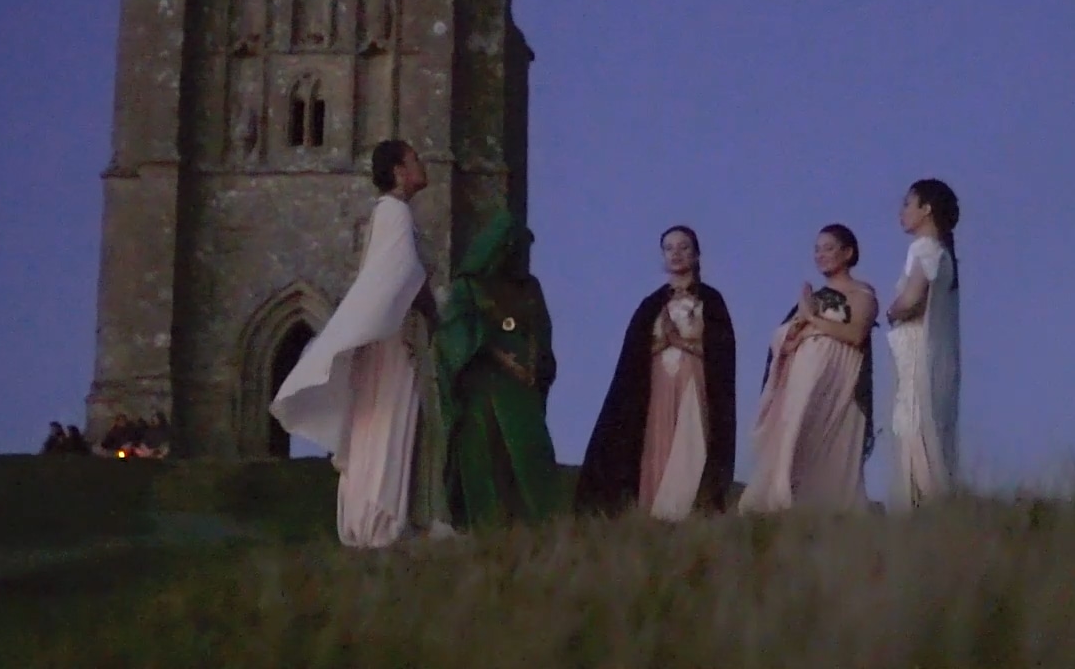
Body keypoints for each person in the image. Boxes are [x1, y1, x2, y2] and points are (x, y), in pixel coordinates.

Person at [271, 139, 440, 547]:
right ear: (399, 171)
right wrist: (434, 316)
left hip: (387, 332)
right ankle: (380, 521)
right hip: (393, 338)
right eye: (414, 159)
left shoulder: (387, 214)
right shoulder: (395, 213)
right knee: (386, 420)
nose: (422, 165)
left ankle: (375, 519)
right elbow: (402, 273)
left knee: (378, 421)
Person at [573, 226, 737, 519]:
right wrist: (662, 343)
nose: (676, 254)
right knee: (658, 442)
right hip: (659, 383)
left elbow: (721, 351)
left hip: (693, 380)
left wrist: (682, 342)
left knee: (691, 440)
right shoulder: (651, 305)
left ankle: (689, 508)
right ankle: (656, 512)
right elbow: (634, 355)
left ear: (696, 254)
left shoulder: (711, 301)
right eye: (669, 248)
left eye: (683, 247)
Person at [432, 207, 562, 527]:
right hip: (483, 385)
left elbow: (540, 326)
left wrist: (534, 361)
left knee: (530, 451)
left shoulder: (529, 287)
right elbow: (455, 332)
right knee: (485, 452)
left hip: (522, 387)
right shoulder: (468, 288)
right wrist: (499, 356)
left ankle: (540, 524)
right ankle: (488, 525)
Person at [739, 224, 877, 513]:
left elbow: (855, 334)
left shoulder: (861, 292)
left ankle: (825, 506)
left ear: (847, 253)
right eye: (817, 249)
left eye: (828, 248)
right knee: (793, 437)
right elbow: (786, 340)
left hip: (837, 381)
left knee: (823, 442)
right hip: (801, 379)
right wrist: (794, 331)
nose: (820, 255)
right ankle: (782, 502)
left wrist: (811, 318)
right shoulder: (812, 298)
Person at [885, 178, 962, 508]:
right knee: (928, 425)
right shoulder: (943, 252)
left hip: (917, 350)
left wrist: (893, 310)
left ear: (926, 209)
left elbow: (913, 297)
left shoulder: (924, 248)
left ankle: (921, 500)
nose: (902, 212)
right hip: (929, 352)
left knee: (914, 425)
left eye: (908, 204)